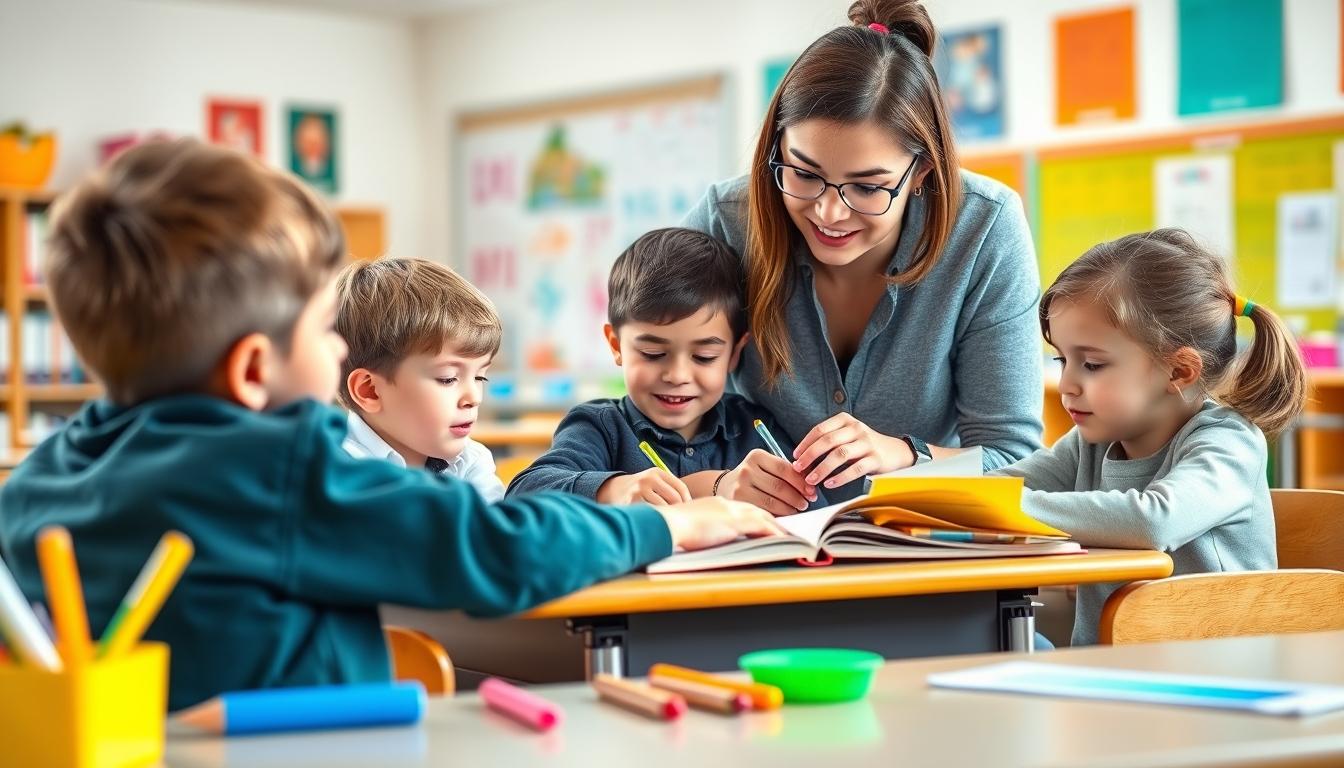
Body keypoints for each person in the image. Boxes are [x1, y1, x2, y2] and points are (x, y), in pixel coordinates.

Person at [0, 139, 778, 710]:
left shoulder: (44, 474)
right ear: (250, 370)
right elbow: (496, 551)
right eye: (320, 327)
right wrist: (673, 529)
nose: (338, 348)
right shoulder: (276, 470)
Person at [683, 0, 1042, 501]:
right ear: (776, 148)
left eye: (868, 188)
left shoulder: (985, 227)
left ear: (921, 173)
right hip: (766, 556)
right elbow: (657, 422)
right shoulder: (726, 220)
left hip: (930, 556)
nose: (829, 214)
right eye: (804, 174)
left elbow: (1016, 460)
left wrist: (905, 454)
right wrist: (720, 483)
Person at [996, 228, 1304, 645]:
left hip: (1216, 679)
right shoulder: (1093, 442)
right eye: (1062, 359)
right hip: (1111, 672)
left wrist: (1005, 508)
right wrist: (909, 495)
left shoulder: (1228, 441)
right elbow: (1001, 487)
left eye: (1092, 364)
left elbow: (1153, 520)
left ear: (1178, 371)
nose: (1066, 383)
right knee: (996, 643)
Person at [509, 228, 818, 515]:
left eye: (704, 356)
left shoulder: (754, 427)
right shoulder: (600, 428)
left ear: (735, 353)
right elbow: (523, 495)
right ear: (616, 345)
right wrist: (615, 489)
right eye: (653, 354)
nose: (677, 375)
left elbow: (818, 514)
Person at [336, 257, 506, 502]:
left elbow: (495, 535)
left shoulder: (469, 462)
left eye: (480, 377)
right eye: (448, 379)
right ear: (370, 390)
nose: (474, 397)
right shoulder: (334, 474)